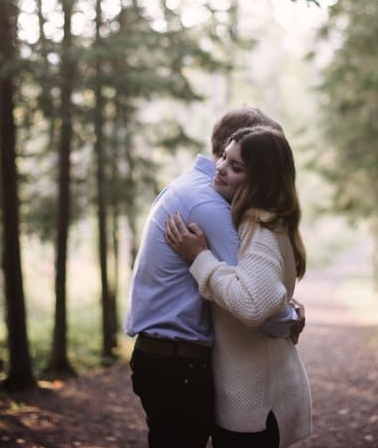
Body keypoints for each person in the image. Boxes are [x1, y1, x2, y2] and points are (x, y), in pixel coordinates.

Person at [125, 107, 305, 448]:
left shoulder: (196, 190)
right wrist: (290, 317)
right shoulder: (208, 204)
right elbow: (255, 302)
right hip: (176, 363)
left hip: (169, 358)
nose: (224, 167)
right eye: (230, 159)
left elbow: (253, 283)